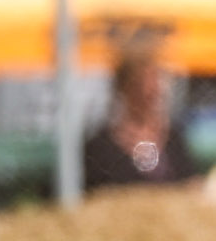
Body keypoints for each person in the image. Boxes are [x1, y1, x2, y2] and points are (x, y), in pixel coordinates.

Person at [81, 36, 198, 189]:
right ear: (125, 88)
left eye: (155, 80)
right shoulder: (101, 148)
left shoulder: (173, 140)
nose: (151, 91)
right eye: (142, 82)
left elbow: (189, 182)